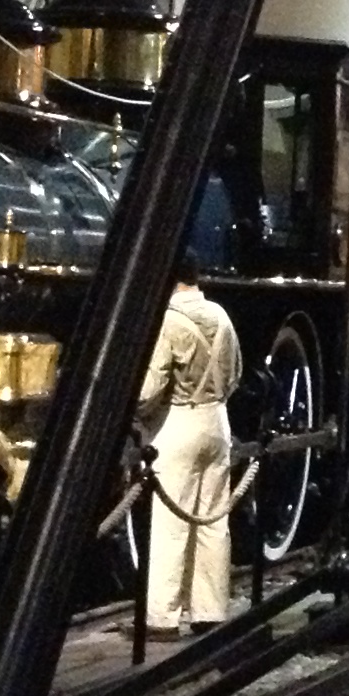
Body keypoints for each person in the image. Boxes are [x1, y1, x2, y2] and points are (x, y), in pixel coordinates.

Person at [137, 255, 245, 638]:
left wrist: (137, 415)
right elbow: (235, 374)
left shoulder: (168, 321)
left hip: (178, 423)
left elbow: (148, 389)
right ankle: (209, 611)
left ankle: (162, 618)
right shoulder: (221, 316)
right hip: (218, 422)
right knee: (213, 522)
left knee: (171, 524)